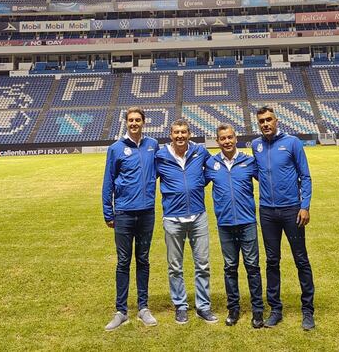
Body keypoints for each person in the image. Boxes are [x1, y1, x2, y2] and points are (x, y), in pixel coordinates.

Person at [251, 106, 315, 331]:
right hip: (267, 211)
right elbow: (258, 172)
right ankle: (275, 310)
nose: (265, 124)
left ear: (276, 121)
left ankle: (307, 310)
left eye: (269, 119)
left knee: (301, 259)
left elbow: (305, 176)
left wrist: (304, 206)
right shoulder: (256, 145)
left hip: (291, 210)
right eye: (261, 121)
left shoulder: (293, 142)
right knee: (272, 260)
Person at [155, 118, 218, 324]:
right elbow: (148, 177)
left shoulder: (200, 151)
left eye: (183, 132)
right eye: (176, 132)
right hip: (172, 218)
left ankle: (203, 306)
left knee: (203, 265)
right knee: (175, 266)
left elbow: (213, 169)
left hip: (198, 216)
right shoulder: (160, 156)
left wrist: (199, 183)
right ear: (170, 135)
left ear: (189, 134)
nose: (180, 136)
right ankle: (180, 306)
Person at [102, 107, 159, 330]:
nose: (134, 123)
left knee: (143, 260)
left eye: (138, 120)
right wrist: (108, 212)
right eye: (131, 120)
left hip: (147, 213)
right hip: (124, 213)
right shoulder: (116, 148)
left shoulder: (152, 145)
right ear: (126, 122)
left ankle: (143, 308)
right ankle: (121, 311)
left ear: (144, 122)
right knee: (123, 262)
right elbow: (108, 181)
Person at [204, 124, 264, 328]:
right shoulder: (211, 164)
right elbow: (196, 182)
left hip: (247, 223)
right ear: (217, 141)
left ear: (236, 138)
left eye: (230, 137)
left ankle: (258, 310)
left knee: (252, 267)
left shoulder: (249, 161)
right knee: (230, 268)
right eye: (223, 138)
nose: (227, 141)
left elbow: (267, 179)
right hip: (225, 224)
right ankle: (233, 309)